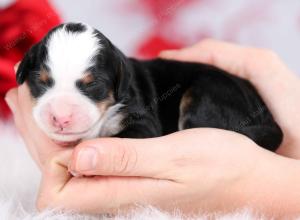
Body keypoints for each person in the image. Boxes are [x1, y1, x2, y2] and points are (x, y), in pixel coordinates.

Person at [5, 39, 300, 218]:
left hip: (218, 97)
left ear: (118, 83)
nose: (60, 113)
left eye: (91, 87)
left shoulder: (132, 99)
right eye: (43, 84)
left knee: (199, 104)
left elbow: (141, 133)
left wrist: (272, 184)